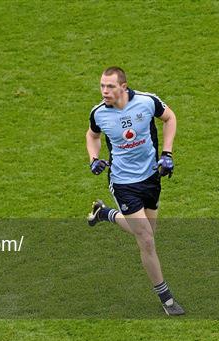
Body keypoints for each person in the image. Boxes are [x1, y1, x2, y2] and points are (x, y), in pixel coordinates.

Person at [85, 66, 185, 316]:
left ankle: (104, 214)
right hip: (123, 183)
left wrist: (168, 153)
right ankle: (167, 299)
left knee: (149, 232)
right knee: (147, 240)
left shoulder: (147, 102)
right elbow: (92, 135)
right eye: (102, 86)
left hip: (151, 177)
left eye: (110, 86)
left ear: (124, 86)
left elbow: (170, 118)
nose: (104, 91)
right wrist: (93, 158)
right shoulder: (99, 114)